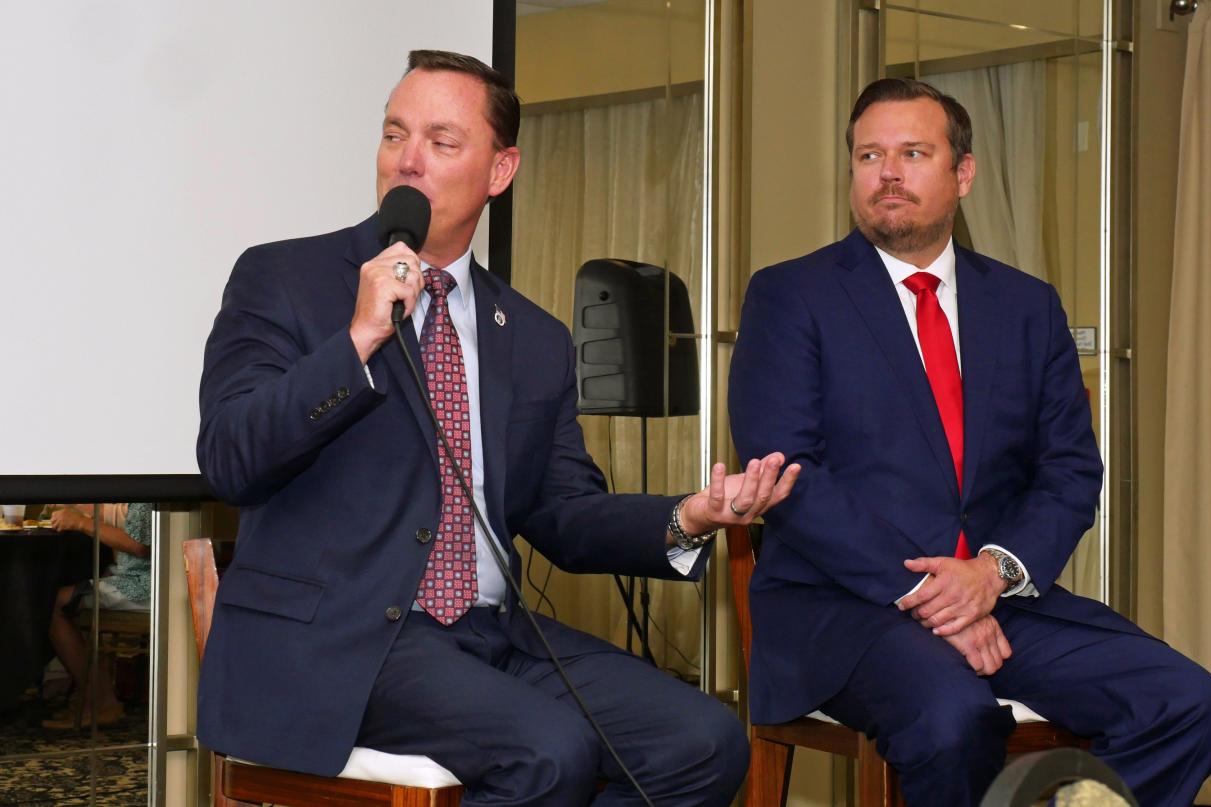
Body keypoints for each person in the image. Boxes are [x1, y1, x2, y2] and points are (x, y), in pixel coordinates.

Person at [197, 50, 798, 807]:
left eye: (441, 143)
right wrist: (354, 343)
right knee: (549, 756)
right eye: (394, 134)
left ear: (500, 169)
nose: (408, 160)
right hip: (342, 640)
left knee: (703, 744)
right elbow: (228, 457)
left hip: (492, 636)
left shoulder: (534, 337)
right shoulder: (286, 279)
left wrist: (687, 516)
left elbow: (564, 513)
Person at [728, 77, 1211, 806]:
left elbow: (1068, 470)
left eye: (912, 152)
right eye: (869, 156)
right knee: (953, 717)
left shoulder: (1027, 305)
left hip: (1002, 597)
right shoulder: (790, 295)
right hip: (844, 606)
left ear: (962, 174)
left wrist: (992, 573)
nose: (888, 174)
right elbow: (790, 477)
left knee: (1191, 703)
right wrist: (933, 596)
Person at [42, 502, 152, 729]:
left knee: (55, 604)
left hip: (143, 587)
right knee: (63, 595)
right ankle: (95, 695)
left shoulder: (149, 491)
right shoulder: (148, 487)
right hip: (140, 580)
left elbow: (139, 545)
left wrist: (82, 523)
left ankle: (101, 700)